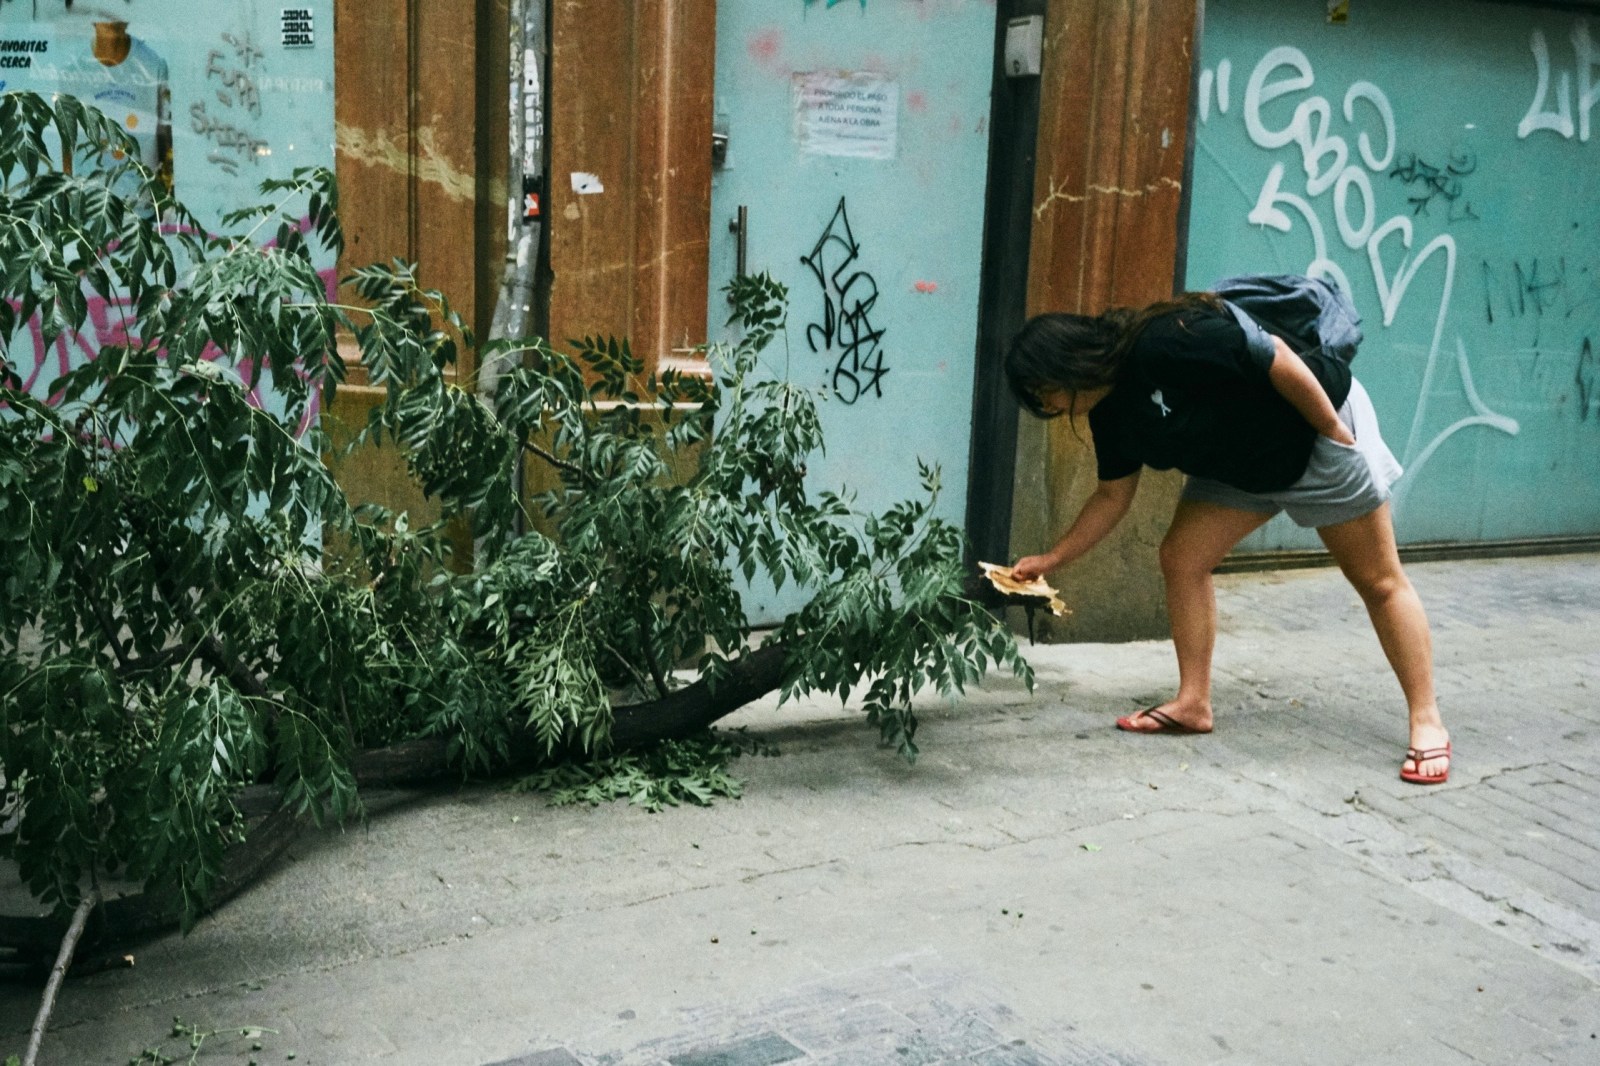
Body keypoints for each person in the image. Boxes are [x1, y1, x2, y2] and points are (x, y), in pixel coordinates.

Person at [1005, 286, 1451, 785]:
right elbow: (1112, 497)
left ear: (1066, 364)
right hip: (1239, 468)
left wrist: (1333, 430)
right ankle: (1193, 702)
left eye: (1041, 390)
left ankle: (1427, 720)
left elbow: (1275, 355)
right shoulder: (1108, 411)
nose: (1044, 404)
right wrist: (1051, 559)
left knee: (1378, 582)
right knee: (1182, 558)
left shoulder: (1162, 341)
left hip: (1309, 433)